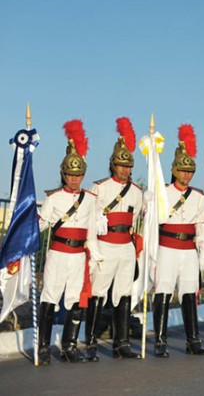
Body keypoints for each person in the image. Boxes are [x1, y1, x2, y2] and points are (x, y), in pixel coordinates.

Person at [37, 120, 99, 364]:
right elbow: (41, 225)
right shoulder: (53, 198)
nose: (75, 179)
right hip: (58, 253)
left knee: (74, 299)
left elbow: (92, 230)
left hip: (78, 256)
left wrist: (94, 256)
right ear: (64, 174)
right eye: (71, 175)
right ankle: (43, 348)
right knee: (50, 297)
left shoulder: (90, 199)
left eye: (79, 175)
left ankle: (70, 346)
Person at [85, 117, 143, 361]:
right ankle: (90, 342)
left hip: (125, 248)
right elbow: (90, 220)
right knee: (99, 292)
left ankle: (122, 343)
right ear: (112, 165)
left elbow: (137, 217)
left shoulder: (137, 192)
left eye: (128, 166)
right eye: (121, 165)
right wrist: (93, 248)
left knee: (123, 293)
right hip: (105, 245)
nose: (125, 170)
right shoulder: (100, 187)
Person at [152, 124, 204, 357]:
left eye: (190, 171)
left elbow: (200, 225)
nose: (187, 175)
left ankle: (193, 339)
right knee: (164, 292)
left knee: (189, 292)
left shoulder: (199, 196)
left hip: (188, 249)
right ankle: (159, 340)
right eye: (183, 170)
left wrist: (203, 250)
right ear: (175, 170)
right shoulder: (163, 192)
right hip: (167, 247)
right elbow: (153, 222)